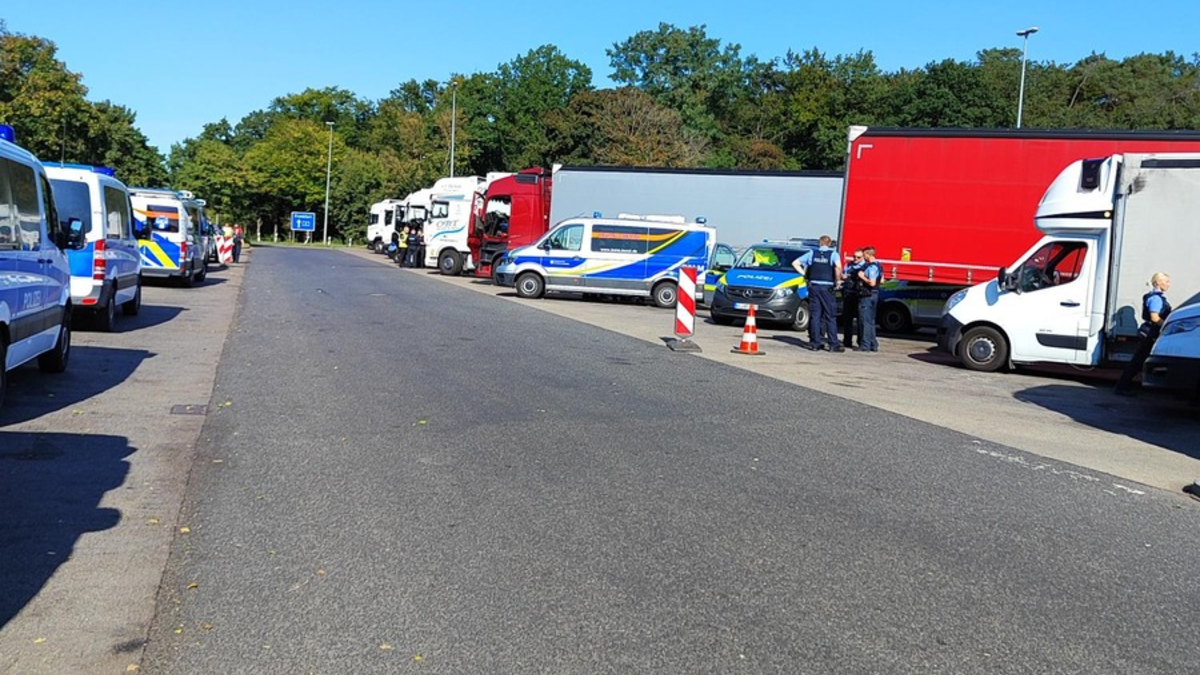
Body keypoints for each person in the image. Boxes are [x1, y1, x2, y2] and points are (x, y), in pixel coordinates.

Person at [1114, 272, 1172, 396]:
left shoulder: (1154, 296)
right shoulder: (1156, 298)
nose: (1169, 284)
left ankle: (1123, 386)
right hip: (1151, 333)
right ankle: (1122, 387)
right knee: (1138, 361)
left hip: (1149, 332)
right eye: (1166, 282)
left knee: (1138, 360)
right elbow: (1155, 318)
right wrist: (1168, 325)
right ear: (1158, 283)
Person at [792, 235, 842, 352]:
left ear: (820, 243)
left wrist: (804, 275)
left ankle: (815, 343)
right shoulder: (833, 254)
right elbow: (838, 267)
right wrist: (838, 280)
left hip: (814, 286)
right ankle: (833, 344)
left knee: (815, 315)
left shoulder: (811, 254)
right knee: (830, 315)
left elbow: (795, 263)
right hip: (827, 287)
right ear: (829, 244)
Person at [855, 247, 883, 352]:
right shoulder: (879, 265)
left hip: (867, 295)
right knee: (871, 321)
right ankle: (873, 344)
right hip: (875, 294)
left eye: (864, 255)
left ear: (867, 255)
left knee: (865, 321)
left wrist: (862, 277)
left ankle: (865, 345)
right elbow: (883, 280)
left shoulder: (871, 267)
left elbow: (872, 282)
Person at [841, 249, 865, 348]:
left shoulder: (865, 267)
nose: (855, 259)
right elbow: (842, 275)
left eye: (858, 257)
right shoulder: (849, 265)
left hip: (859, 296)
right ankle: (847, 341)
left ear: (863, 257)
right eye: (854, 256)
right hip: (848, 294)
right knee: (847, 319)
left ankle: (861, 341)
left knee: (861, 320)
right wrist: (843, 276)